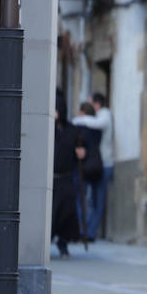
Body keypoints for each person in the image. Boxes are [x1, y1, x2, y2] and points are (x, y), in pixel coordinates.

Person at [72, 92, 114, 241]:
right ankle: (86, 231)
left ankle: (89, 232)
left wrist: (79, 119)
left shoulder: (104, 115)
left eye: (90, 102)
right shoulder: (97, 117)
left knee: (96, 200)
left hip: (104, 164)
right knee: (92, 200)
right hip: (97, 163)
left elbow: (97, 124)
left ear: (97, 104)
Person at [50, 91, 86, 258]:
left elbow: (82, 151)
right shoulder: (48, 127)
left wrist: (81, 153)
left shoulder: (72, 131)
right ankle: (46, 242)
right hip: (50, 179)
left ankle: (63, 244)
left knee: (67, 213)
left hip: (66, 178)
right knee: (51, 214)